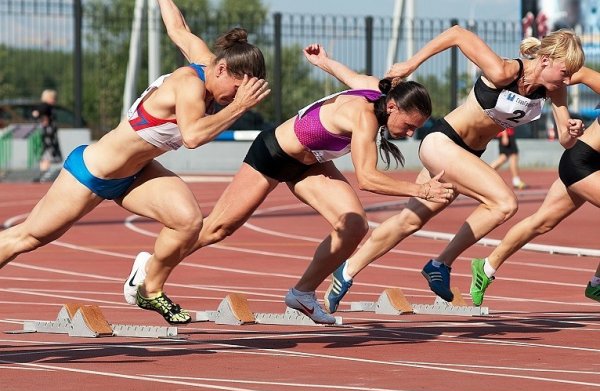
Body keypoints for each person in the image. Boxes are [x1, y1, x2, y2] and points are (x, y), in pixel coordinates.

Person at [124, 41, 456, 324]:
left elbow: (348, 76)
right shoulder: (364, 116)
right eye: (409, 126)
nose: (409, 134)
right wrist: (420, 189)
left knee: (354, 225)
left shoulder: (377, 88)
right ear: (393, 106)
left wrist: (323, 61)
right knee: (218, 229)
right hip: (273, 154)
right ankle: (151, 267)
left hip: (309, 163)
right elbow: (367, 178)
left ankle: (302, 293)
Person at [0, 0, 270, 325]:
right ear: (223, 70)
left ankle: (148, 287)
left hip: (137, 173)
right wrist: (238, 107)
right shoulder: (190, 85)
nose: (237, 96)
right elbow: (194, 136)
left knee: (188, 222)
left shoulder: (208, 63)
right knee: (27, 238)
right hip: (92, 172)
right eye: (238, 90)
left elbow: (178, 29)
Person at [321, 25, 586, 313]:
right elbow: (458, 34)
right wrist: (411, 64)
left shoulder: (553, 91)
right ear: (545, 60)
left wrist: (572, 130)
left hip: (466, 156)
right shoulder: (504, 71)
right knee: (504, 203)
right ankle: (440, 264)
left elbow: (564, 138)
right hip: (443, 143)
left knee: (410, 220)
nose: (569, 79)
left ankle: (345, 272)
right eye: (565, 72)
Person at [470, 65, 600, 306]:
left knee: (542, 221)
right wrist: (546, 81)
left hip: (592, 168)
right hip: (581, 162)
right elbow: (575, 72)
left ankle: (486, 267)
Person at [33, 89, 61, 182]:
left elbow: (35, 113)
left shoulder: (44, 106)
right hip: (48, 133)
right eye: (53, 98)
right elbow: (37, 113)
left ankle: (43, 173)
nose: (54, 100)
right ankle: (44, 173)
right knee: (48, 152)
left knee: (45, 152)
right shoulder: (46, 106)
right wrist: (44, 119)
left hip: (47, 133)